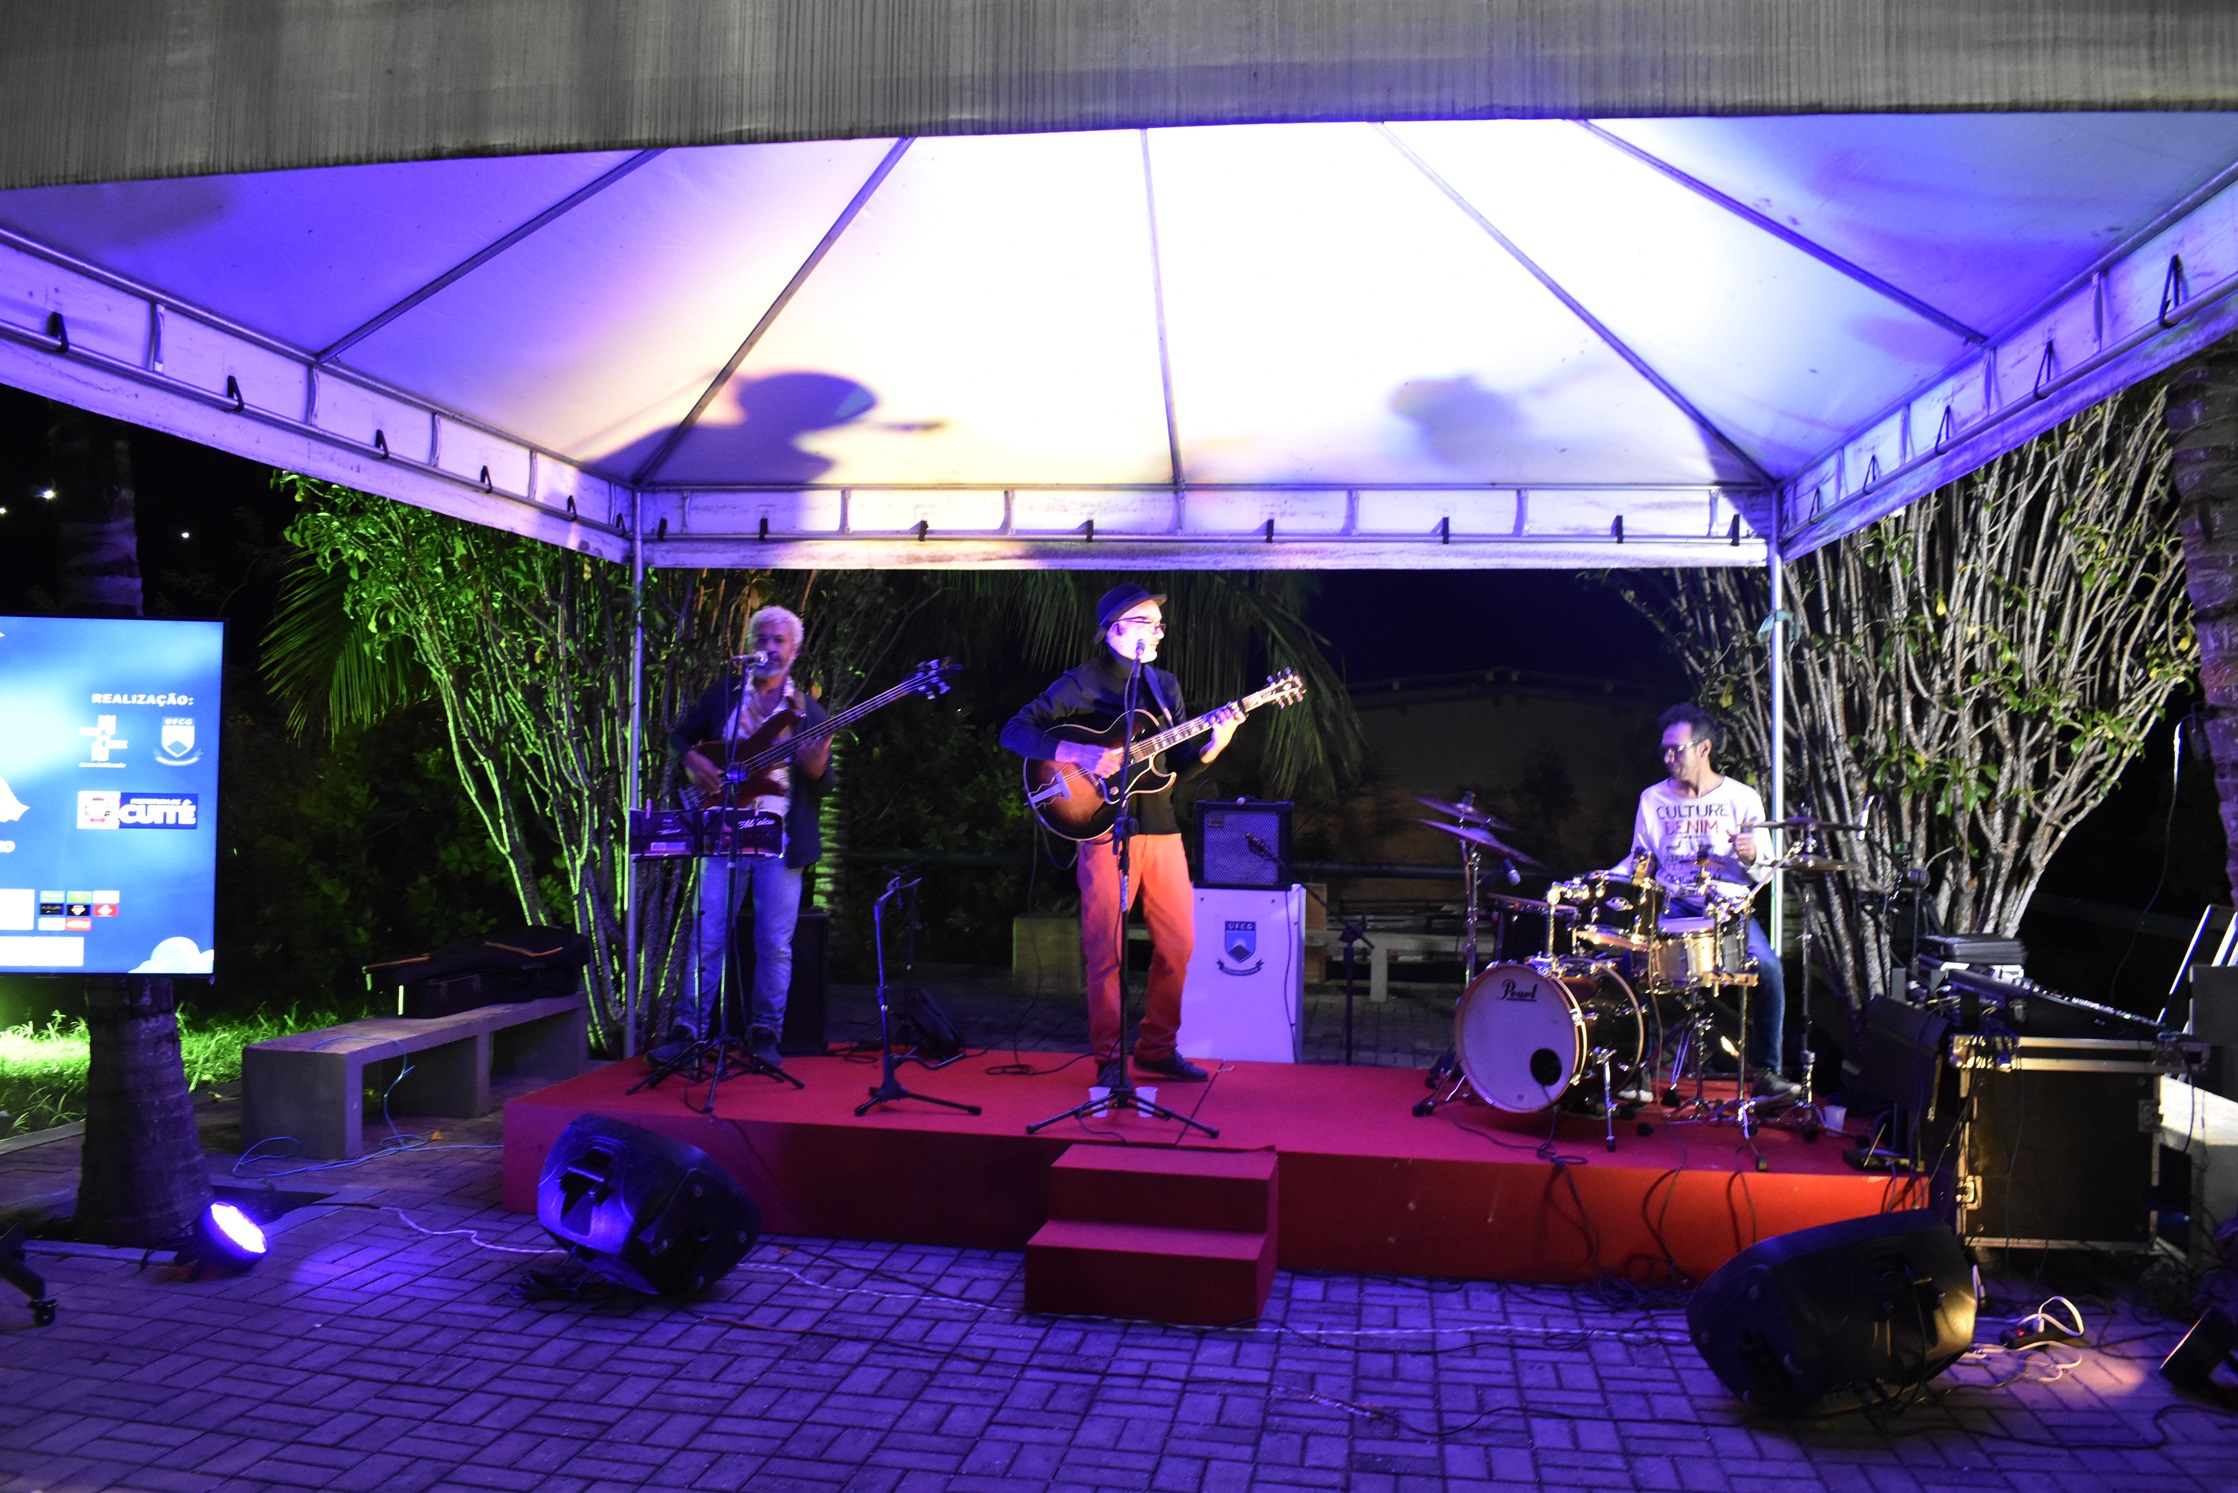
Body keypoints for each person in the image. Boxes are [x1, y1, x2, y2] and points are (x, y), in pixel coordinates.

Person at [1000, 585, 1245, 1089]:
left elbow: (1173, 767)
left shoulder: (1164, 685)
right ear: (1115, 629)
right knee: (1105, 951)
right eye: (1146, 623)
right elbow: (1015, 731)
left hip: (1162, 829)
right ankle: (1109, 1057)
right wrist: (1078, 752)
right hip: (1103, 832)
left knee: (1179, 945)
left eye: (1159, 624)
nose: (1158, 633)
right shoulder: (1083, 681)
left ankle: (1156, 1048)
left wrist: (1212, 747)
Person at [661, 604, 831, 1072]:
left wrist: (817, 770)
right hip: (722, 833)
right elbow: (679, 737)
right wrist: (693, 760)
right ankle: (688, 1031)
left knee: (774, 942)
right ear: (750, 646)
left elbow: (825, 784)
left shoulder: (809, 711)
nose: (769, 648)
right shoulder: (724, 695)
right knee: (707, 935)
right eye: (762, 639)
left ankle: (765, 1032)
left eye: (779, 641)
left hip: (780, 841)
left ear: (795, 651)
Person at [1617, 702, 1796, 1099]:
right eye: (1664, 750)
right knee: (1629, 964)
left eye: (1676, 750)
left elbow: (1764, 870)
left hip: (1727, 910)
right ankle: (1637, 1069)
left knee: (1769, 970)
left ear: (1704, 749)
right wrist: (1603, 878)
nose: (1668, 758)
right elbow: (1640, 860)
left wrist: (1751, 855)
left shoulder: (1741, 798)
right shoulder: (1652, 799)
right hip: (1672, 904)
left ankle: (1768, 1072)